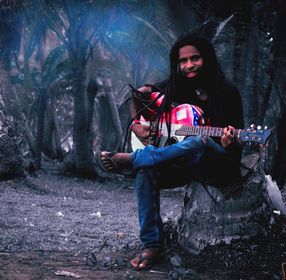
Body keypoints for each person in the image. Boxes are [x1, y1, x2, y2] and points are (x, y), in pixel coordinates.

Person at [99, 34, 244, 270]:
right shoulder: (177, 85)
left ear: (206, 58)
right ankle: (152, 245)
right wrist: (137, 125)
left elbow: (237, 145)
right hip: (184, 163)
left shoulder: (227, 90)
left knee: (200, 140)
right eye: (183, 61)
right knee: (146, 171)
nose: (188, 65)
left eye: (195, 58)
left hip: (217, 166)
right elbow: (132, 95)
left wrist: (230, 142)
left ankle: (134, 159)